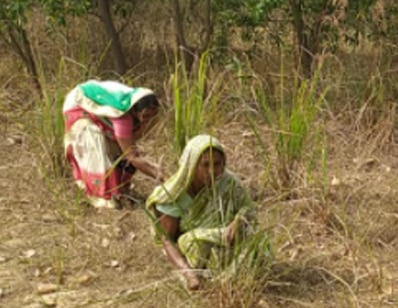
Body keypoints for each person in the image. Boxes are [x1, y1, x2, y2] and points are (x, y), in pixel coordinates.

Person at [147, 135, 262, 290]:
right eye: (205, 165)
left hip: (225, 237)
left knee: (258, 242)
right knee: (198, 244)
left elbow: (248, 208)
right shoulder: (173, 195)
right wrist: (188, 273)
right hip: (193, 244)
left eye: (217, 164)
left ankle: (231, 273)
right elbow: (167, 240)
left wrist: (238, 220)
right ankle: (210, 273)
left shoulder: (229, 183)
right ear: (192, 165)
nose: (212, 171)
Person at [62, 80, 164, 208]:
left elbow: (132, 140)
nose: (149, 119)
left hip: (99, 99)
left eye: (151, 115)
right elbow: (132, 157)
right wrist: (161, 177)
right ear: (135, 112)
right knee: (95, 144)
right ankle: (101, 196)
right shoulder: (122, 116)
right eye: (145, 116)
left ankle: (119, 189)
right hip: (79, 102)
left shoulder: (142, 107)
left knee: (121, 148)